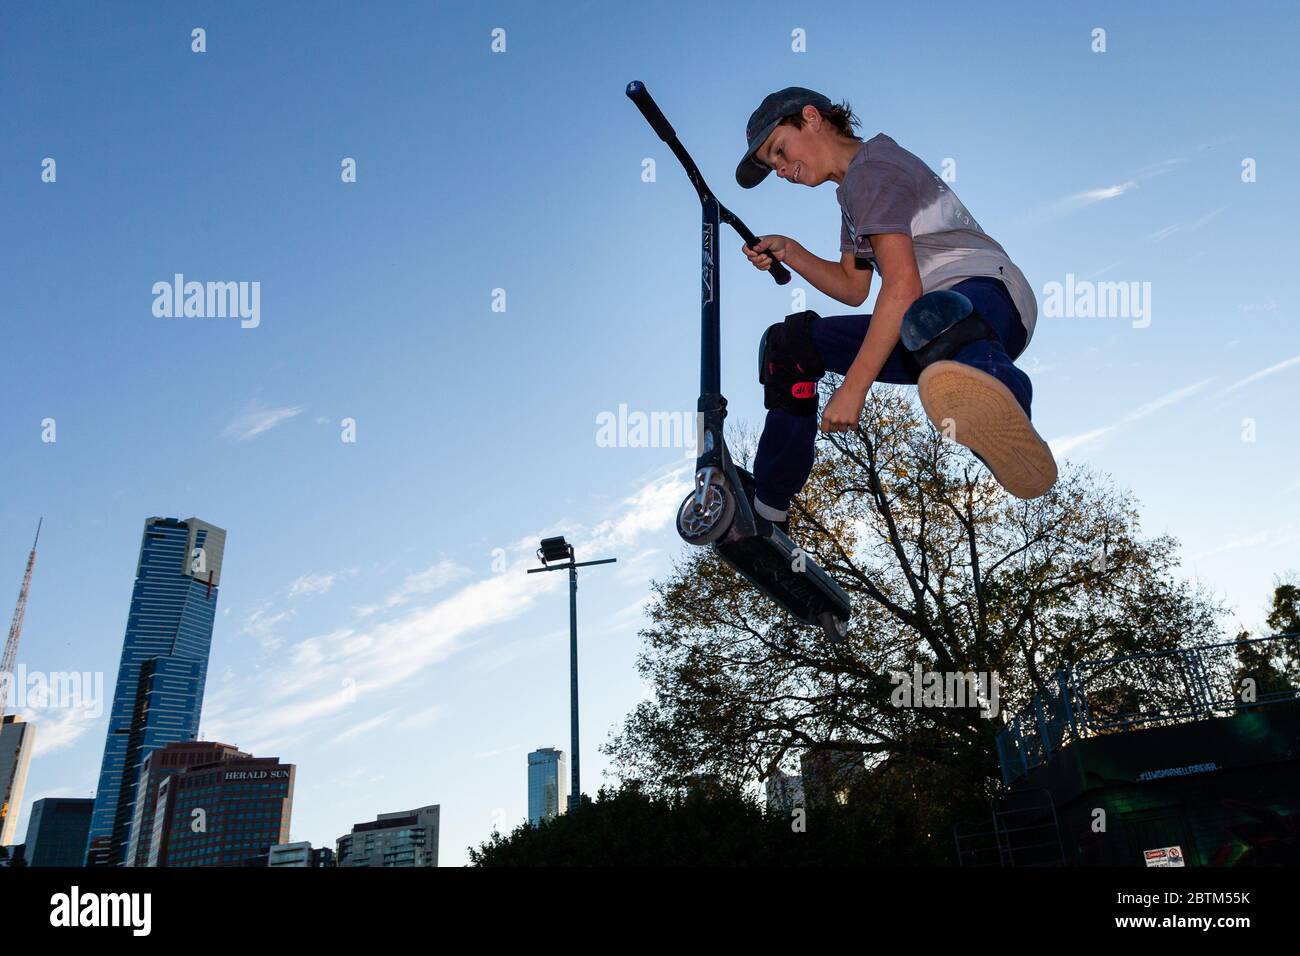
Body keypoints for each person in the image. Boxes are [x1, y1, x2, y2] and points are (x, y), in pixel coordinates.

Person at [734, 87, 1057, 535]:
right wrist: (791, 251)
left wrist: (853, 388)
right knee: (791, 347)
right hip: (924, 329)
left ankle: (1007, 410)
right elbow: (853, 288)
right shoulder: (851, 194)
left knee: (928, 312)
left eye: (780, 151)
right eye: (774, 167)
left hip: (988, 300)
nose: (783, 171)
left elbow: (902, 287)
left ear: (811, 118)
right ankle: (768, 508)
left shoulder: (872, 170)